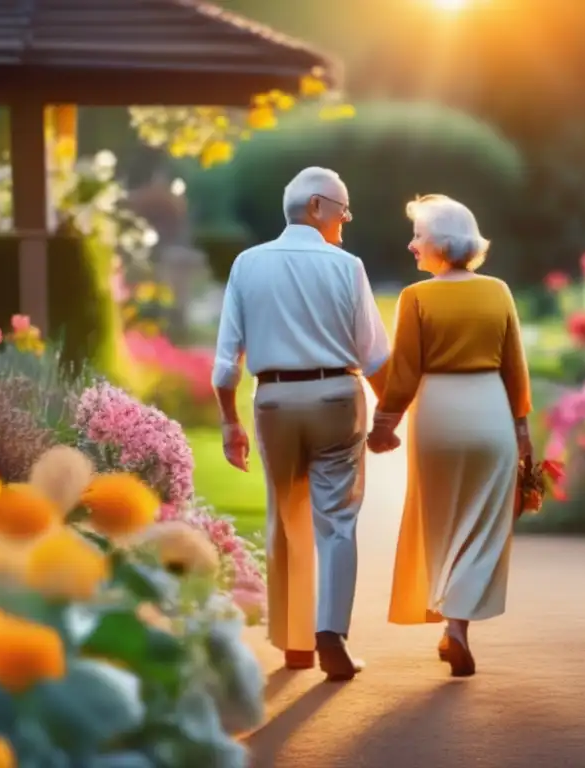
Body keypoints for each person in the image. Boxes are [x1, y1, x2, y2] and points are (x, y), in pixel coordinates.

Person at [212, 167, 392, 682]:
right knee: (336, 520)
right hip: (337, 394)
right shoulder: (347, 266)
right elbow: (375, 356)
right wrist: (385, 419)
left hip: (273, 399)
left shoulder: (247, 264)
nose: (346, 220)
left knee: (285, 515)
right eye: (343, 209)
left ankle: (294, 644)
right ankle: (331, 633)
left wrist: (229, 424)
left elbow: (227, 362)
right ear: (317, 207)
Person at [367, 194, 533, 678]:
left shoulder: (417, 298)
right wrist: (523, 431)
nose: (411, 244)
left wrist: (383, 427)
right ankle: (457, 625)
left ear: (439, 242)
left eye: (418, 236)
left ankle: (448, 612)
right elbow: (515, 369)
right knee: (484, 524)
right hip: (489, 412)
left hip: (437, 413)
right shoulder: (498, 291)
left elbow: (403, 374)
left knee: (440, 520)